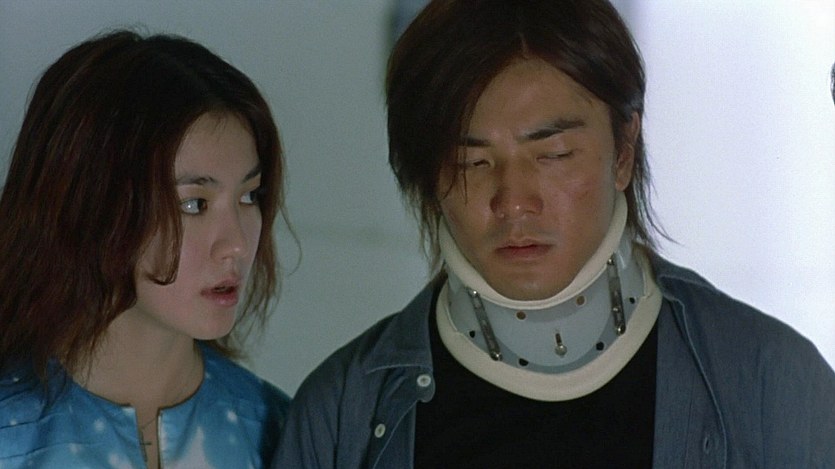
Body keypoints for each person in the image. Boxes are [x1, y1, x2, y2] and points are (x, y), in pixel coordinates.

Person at [274, 1, 835, 467]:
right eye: (472, 162)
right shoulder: (340, 415)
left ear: (624, 151)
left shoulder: (774, 386)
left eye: (554, 154)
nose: (514, 201)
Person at [0, 30, 289, 468]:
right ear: (92, 204)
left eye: (249, 197)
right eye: (194, 204)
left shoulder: (277, 431)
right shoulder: (12, 435)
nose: (236, 244)